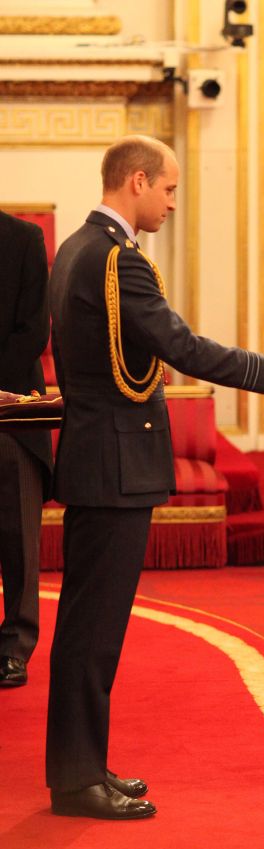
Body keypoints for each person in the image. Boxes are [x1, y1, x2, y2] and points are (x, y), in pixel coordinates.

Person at [46, 135, 264, 820]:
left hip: (101, 460)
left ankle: (83, 768)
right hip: (112, 466)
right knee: (93, 633)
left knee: (91, 631)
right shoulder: (118, 262)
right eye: (170, 189)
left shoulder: (76, 250)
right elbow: (181, 347)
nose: (174, 202)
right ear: (138, 181)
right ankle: (76, 779)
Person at [0, 210, 53, 688]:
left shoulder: (24, 238)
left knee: (18, 538)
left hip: (12, 415)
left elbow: (34, 329)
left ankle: (15, 647)